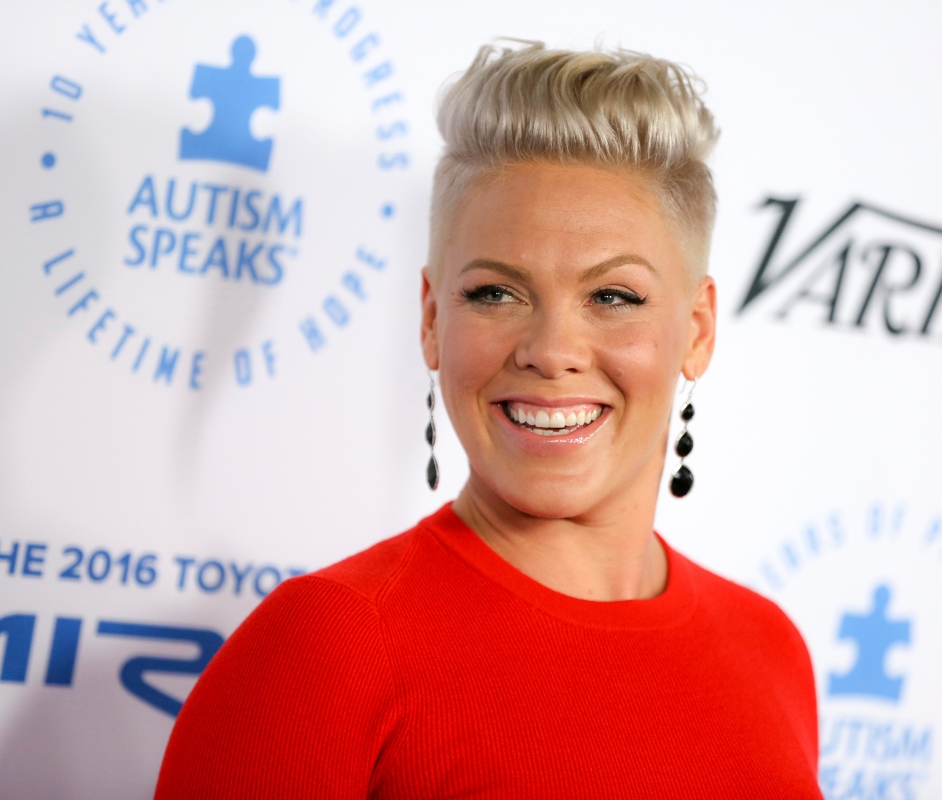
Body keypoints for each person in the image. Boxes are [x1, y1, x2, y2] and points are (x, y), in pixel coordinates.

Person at [155, 41, 821, 799]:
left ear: (697, 331)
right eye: (496, 294)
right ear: (432, 319)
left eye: (613, 297)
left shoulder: (770, 648)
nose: (552, 351)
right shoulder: (326, 648)